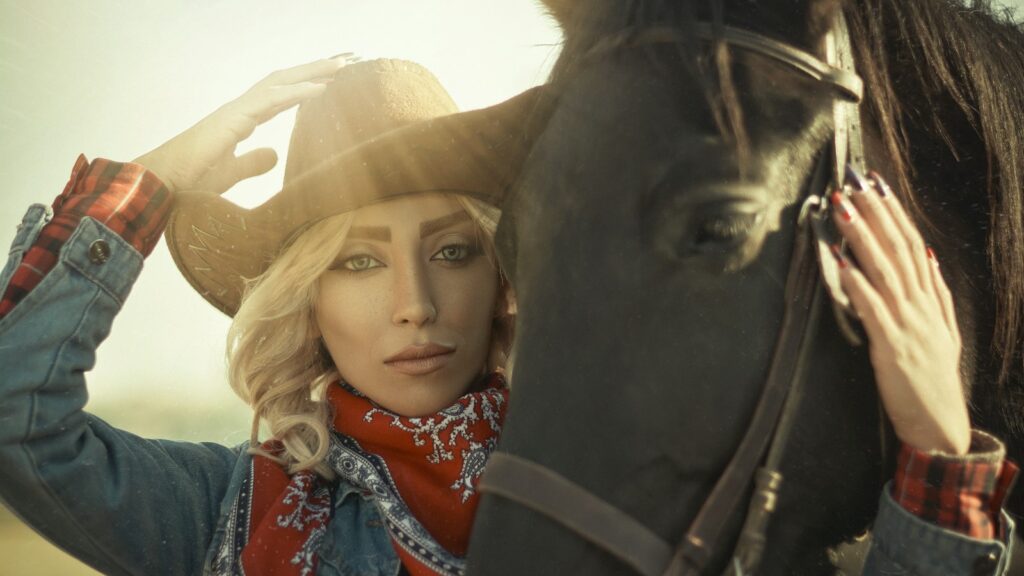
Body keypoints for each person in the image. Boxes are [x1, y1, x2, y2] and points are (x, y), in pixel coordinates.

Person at [0, 55, 1014, 576]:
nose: (415, 302)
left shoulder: (650, 492)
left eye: (452, 250)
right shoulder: (224, 515)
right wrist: (148, 189)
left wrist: (932, 448)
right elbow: (15, 416)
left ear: (507, 278)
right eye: (357, 260)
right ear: (304, 303)